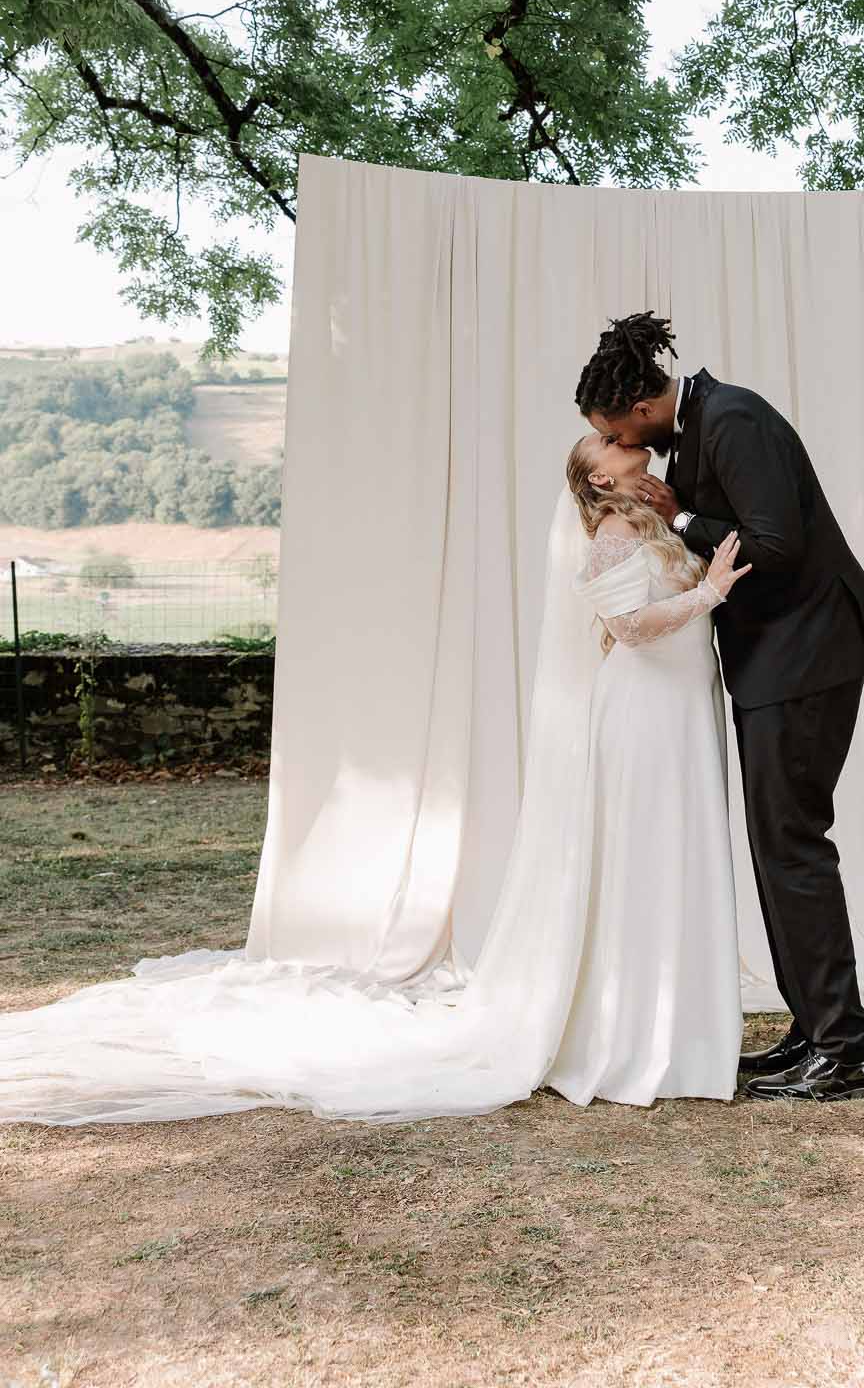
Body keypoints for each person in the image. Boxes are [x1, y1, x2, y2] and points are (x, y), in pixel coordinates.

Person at [0, 436, 750, 1124]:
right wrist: (710, 592)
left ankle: (675, 1025)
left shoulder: (652, 523)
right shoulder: (613, 534)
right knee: (644, 856)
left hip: (681, 708)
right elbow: (630, 631)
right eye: (612, 445)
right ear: (596, 478)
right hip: (645, 713)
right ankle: (634, 1036)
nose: (629, 445)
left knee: (670, 854)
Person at [577, 310, 864, 1102]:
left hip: (808, 656)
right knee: (776, 846)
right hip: (774, 662)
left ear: (642, 411)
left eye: (613, 430)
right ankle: (814, 1029)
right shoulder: (701, 425)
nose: (618, 445)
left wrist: (680, 515)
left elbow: (776, 545)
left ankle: (846, 1053)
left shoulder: (734, 418)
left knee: (792, 844)